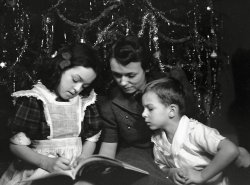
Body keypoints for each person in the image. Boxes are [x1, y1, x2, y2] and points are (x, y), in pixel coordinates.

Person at [0, 43, 102, 185]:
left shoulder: (85, 102)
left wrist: (84, 156)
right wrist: (46, 163)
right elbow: (16, 145)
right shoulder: (36, 100)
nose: (77, 89)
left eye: (84, 86)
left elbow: (92, 138)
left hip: (72, 170)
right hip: (39, 168)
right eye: (75, 80)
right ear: (60, 68)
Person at [97, 35, 174, 185]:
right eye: (117, 75)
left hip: (172, 150)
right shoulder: (111, 103)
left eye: (131, 75)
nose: (123, 82)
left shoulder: (169, 88)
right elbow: (108, 148)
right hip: (137, 153)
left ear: (146, 68)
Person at [141, 77, 240, 185]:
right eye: (143, 109)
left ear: (172, 111)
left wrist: (201, 175)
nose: (143, 114)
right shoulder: (158, 139)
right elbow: (160, 167)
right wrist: (170, 172)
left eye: (150, 109)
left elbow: (230, 149)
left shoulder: (194, 130)